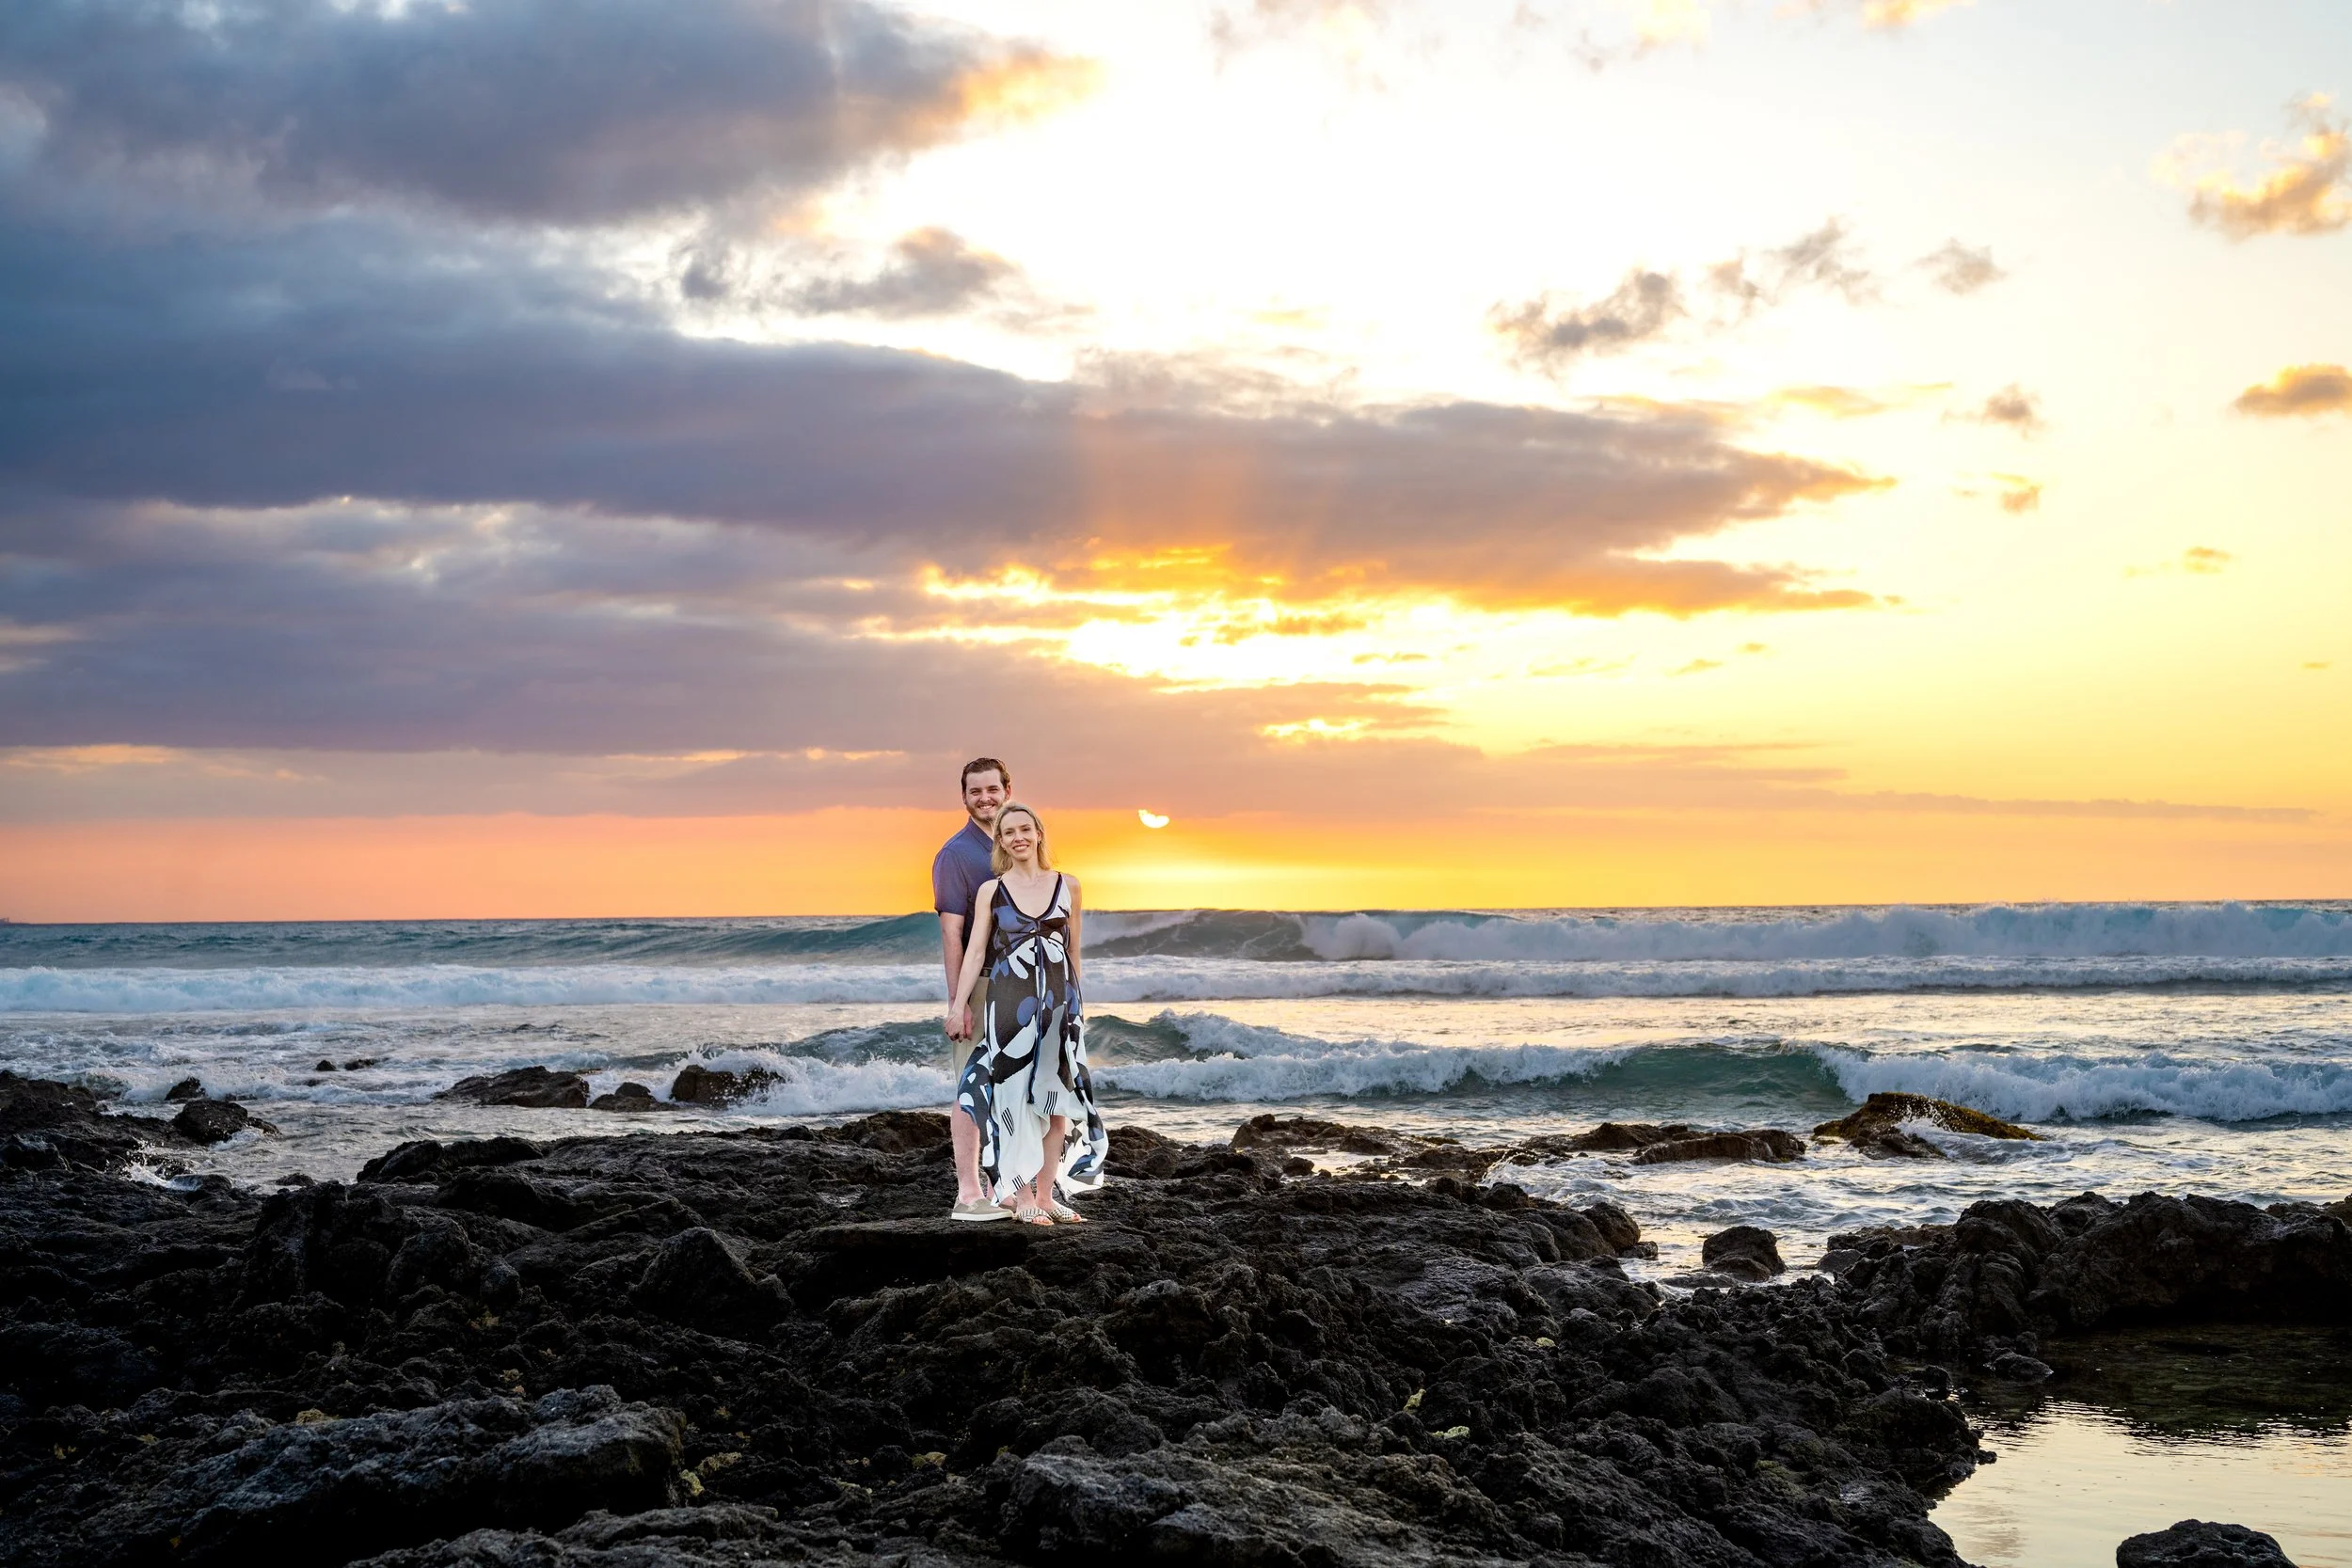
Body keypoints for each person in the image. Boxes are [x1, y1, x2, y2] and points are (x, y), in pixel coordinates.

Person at [947, 802, 1108, 1226]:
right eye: (1008, 832)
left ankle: (1046, 1194)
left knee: (1056, 1101)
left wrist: (1079, 1010)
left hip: (1059, 1007)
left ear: (1038, 833)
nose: (1018, 837)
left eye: (1025, 829)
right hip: (1008, 1007)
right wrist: (959, 1004)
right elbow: (976, 952)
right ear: (999, 842)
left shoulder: (1068, 886)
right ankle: (1019, 1198)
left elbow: (1073, 952)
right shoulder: (992, 891)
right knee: (1014, 1100)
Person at [934, 757, 1011, 1219]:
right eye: (975, 791)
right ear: (964, 797)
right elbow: (951, 934)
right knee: (971, 1086)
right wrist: (957, 1003)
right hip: (979, 987)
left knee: (1012, 1087)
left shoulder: (1018, 842)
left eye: (992, 789)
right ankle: (968, 1192)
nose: (984, 798)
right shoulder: (956, 854)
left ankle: (1008, 1186)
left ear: (1006, 790)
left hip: (1020, 987)